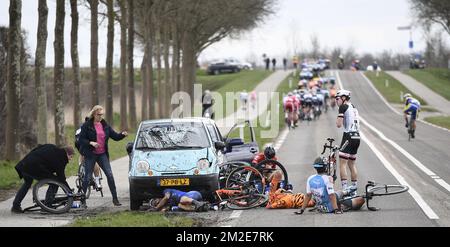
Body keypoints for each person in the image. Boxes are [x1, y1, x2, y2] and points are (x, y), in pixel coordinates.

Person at [78, 105, 128, 206]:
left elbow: (115, 136)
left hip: (102, 154)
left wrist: (122, 134)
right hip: (90, 154)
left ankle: (115, 199)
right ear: (94, 114)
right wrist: (91, 143)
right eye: (98, 114)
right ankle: (82, 200)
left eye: (102, 114)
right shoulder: (87, 125)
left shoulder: (105, 125)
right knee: (87, 177)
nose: (100, 116)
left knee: (110, 175)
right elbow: (81, 140)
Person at [12, 145, 75, 213]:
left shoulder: (51, 147)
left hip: (25, 164)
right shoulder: (61, 157)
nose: (70, 159)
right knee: (55, 182)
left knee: (27, 183)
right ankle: (47, 205)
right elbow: (61, 178)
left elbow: (37, 148)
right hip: (34, 167)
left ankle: (15, 206)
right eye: (70, 156)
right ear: (67, 153)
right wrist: (69, 193)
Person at [294, 157, 365, 215]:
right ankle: (349, 192)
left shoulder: (310, 178)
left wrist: (302, 210)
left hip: (321, 205)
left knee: (337, 193)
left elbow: (308, 195)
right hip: (332, 205)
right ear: (325, 167)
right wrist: (336, 210)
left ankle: (346, 192)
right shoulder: (327, 178)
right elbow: (331, 195)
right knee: (361, 200)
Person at [335, 90, 360, 192]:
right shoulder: (353, 106)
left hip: (348, 136)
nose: (336, 101)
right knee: (352, 164)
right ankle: (354, 188)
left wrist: (338, 116)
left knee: (342, 163)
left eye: (337, 98)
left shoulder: (343, 107)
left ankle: (345, 189)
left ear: (344, 98)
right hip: (357, 136)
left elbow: (338, 124)